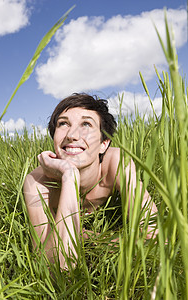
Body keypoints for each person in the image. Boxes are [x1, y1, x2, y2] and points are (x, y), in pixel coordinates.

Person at [23, 93, 157, 268]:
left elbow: (154, 237)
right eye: (63, 123)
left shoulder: (116, 163)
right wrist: (69, 176)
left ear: (104, 144)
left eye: (86, 124)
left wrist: (87, 237)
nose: (72, 135)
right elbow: (57, 270)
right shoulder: (37, 181)